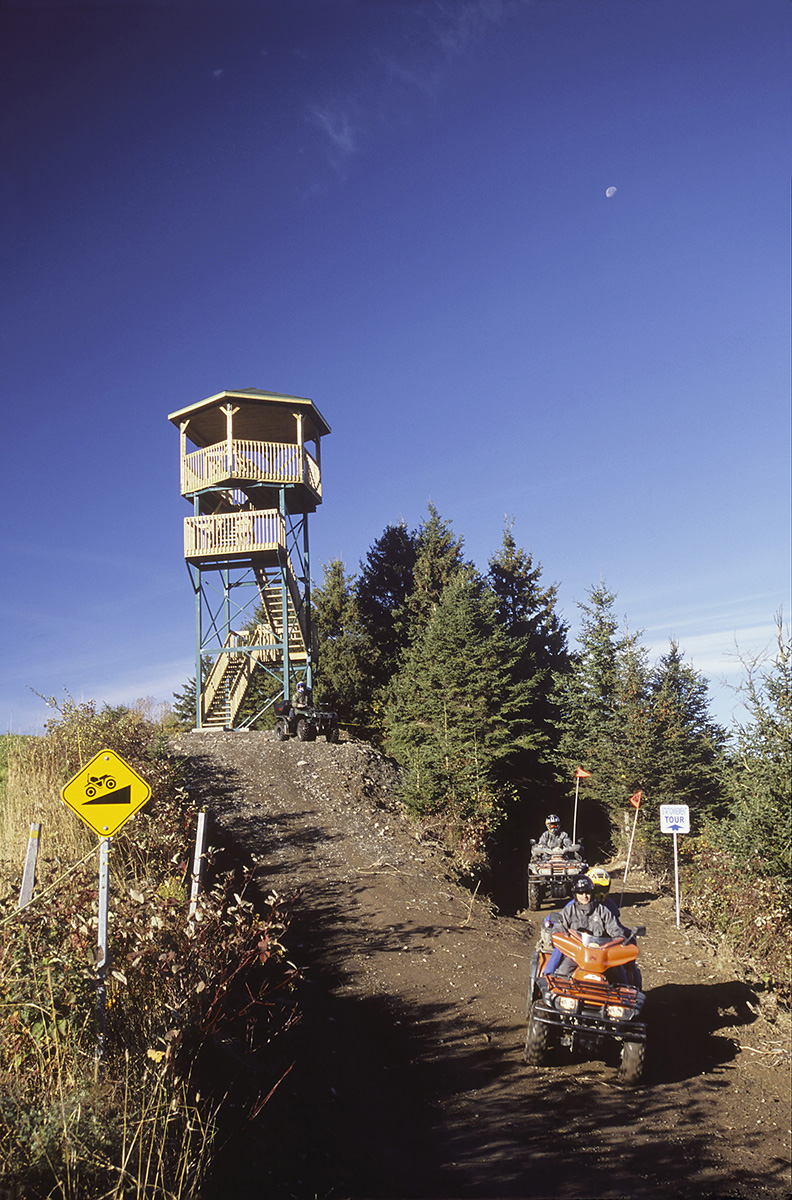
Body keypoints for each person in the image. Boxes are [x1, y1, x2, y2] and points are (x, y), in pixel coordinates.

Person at [542, 875, 626, 979]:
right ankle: (549, 982)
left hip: (600, 955)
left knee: (620, 977)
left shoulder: (603, 911)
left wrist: (618, 938)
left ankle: (628, 993)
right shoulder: (569, 911)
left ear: (592, 893)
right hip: (575, 954)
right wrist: (561, 936)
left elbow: (615, 930)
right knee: (561, 976)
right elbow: (558, 928)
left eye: (587, 893)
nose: (584, 896)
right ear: (575, 894)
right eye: (580, 893)